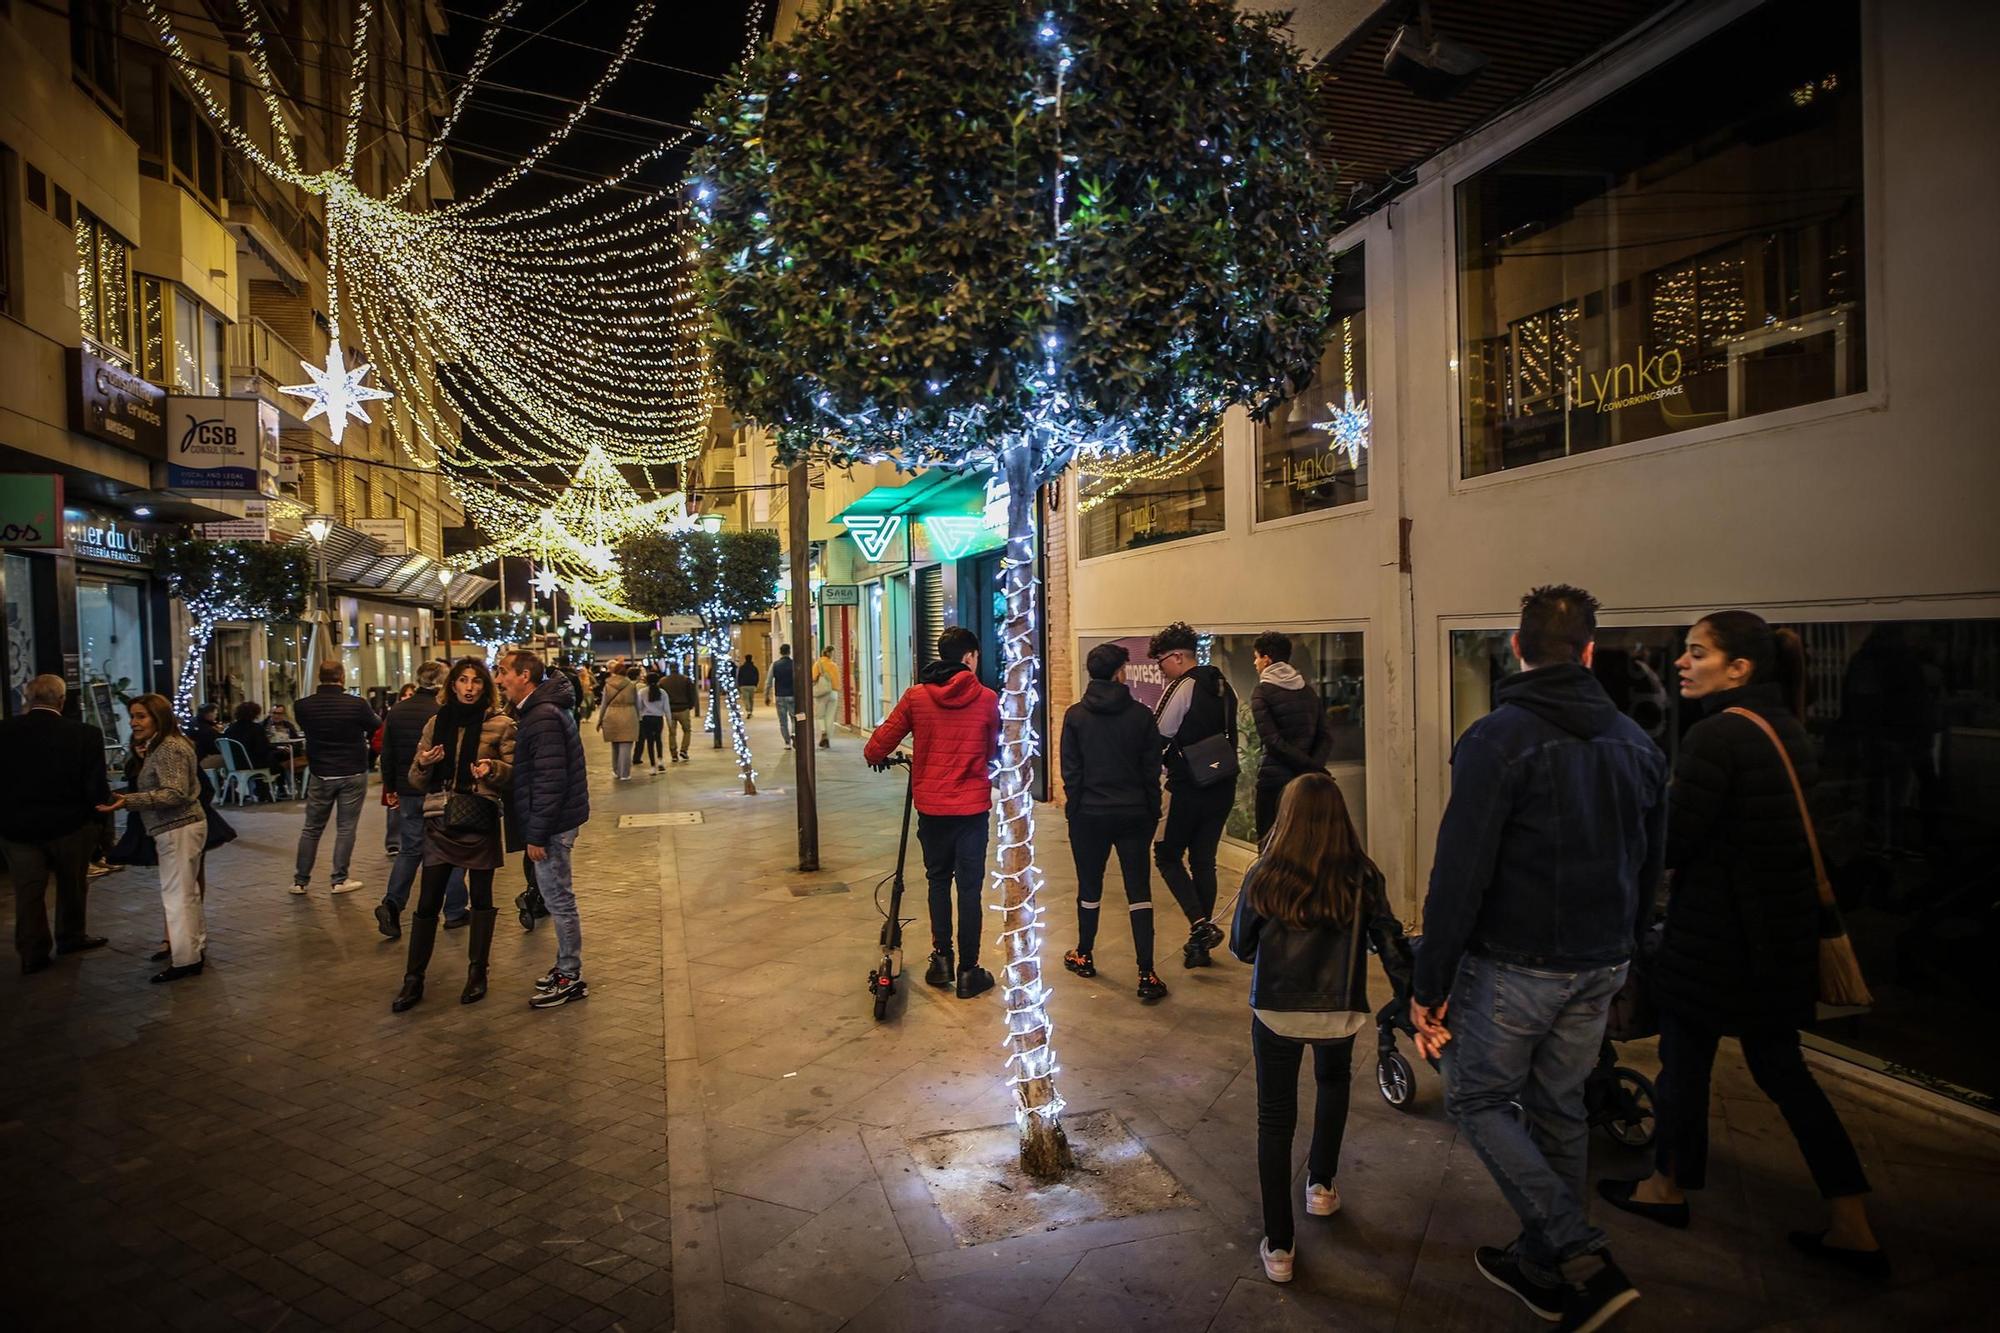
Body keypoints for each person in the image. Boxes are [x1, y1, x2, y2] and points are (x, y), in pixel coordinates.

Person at [1597, 611, 1885, 1278]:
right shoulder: (1787, 727)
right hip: (1775, 941)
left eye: (1697, 653)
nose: (1681, 662)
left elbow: (1677, 843)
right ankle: (1852, 1217)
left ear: (1739, 668)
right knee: (1786, 1073)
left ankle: (1667, 1186)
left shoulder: (1716, 736)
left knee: (1683, 1066)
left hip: (1717, 940)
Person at [1409, 585, 1667, 1331]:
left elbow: (1460, 873)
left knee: (1477, 1098)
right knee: (1559, 1104)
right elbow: (1647, 864)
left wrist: (1430, 978)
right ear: (1588, 652)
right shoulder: (1639, 745)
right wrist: (1632, 952)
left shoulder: (1496, 739)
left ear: (1516, 648)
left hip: (1517, 964)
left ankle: (1578, 1252)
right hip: (1602, 962)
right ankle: (1539, 1259)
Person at [1230, 772, 1412, 1285]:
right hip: (1340, 1011)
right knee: (1332, 1086)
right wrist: (1413, 998)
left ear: (1286, 817)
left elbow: (1242, 947)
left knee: (1275, 1118)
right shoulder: (1362, 873)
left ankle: (1281, 1246)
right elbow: (1390, 941)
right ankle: (1322, 1186)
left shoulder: (1265, 873)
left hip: (1277, 1012)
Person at [864, 626, 1001, 999]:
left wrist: (881, 757)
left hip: (933, 809)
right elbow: (992, 750)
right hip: (972, 809)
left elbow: (877, 745)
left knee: (938, 881)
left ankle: (941, 961)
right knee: (970, 889)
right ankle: (970, 970)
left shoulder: (916, 697)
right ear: (970, 657)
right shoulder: (988, 699)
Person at [390, 659, 516, 1012]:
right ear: (452, 685)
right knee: (428, 899)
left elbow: (515, 773)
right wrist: (425, 763)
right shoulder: (435, 722)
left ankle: (478, 972)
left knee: (481, 896)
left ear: (486, 687)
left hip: (479, 818)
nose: (469, 687)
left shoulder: (501, 724)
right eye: (463, 680)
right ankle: (413, 978)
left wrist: (492, 769)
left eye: (476, 681)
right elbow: (415, 780)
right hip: (440, 819)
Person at [1058, 642, 1167, 1001]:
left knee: (1089, 887)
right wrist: (1152, 810)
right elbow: (1151, 771)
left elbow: (1071, 772)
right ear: (1120, 672)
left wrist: (1075, 808)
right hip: (1135, 813)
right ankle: (1146, 972)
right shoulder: (1141, 716)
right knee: (1139, 891)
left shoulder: (1075, 716)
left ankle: (1084, 953)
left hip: (1089, 815)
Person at [495, 649, 592, 1008]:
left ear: (524, 676)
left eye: (504, 672)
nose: (499, 679)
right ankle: (565, 966)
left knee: (559, 900)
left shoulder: (543, 716)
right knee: (557, 898)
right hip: (557, 820)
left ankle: (570, 975)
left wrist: (536, 835)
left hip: (554, 824)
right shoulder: (543, 710)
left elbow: (550, 780)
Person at [1, 674, 111, 974]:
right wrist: (100, 824)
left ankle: (32, 951)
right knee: (72, 884)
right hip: (71, 824)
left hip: (18, 827)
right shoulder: (85, 734)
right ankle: (71, 936)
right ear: (62, 701)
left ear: (27, 699)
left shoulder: (4, 731)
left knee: (28, 890)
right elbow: (95, 785)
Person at [97, 694, 208, 983]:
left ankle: (185, 959)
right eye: (133, 716)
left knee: (177, 894)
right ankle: (193, 950)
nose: (134, 722)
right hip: (179, 826)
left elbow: (174, 793)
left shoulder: (169, 747)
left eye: (141, 716)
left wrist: (129, 801)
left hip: (177, 826)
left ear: (158, 717)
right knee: (186, 892)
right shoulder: (163, 745)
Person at [1148, 622, 1238, 969]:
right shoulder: (1222, 685)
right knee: (1203, 860)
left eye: (1160, 663)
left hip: (1188, 786)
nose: (1160, 671)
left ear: (1176, 657)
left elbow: (1160, 733)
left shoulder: (1183, 686)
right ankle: (1199, 945)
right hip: (1223, 783)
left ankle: (1200, 925)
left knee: (1166, 854)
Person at [375, 661, 470, 939]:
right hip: (438, 790)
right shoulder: (445, 712)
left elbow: (388, 752)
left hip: (408, 790)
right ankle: (454, 910)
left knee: (410, 849)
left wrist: (391, 786)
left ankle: (392, 904)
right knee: (452, 849)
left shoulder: (398, 710)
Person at [288, 662, 378, 896]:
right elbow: (376, 727)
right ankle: (339, 879)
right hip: (353, 770)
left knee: (312, 828)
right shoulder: (357, 705)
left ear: (320, 676)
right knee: (346, 828)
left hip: (320, 772)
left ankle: (300, 880)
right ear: (342, 676)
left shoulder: (302, 706)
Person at [1249, 631, 1332, 843]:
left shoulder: (1262, 691)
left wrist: (1309, 766)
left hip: (1274, 780)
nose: (1254, 662)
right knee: (1303, 842)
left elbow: (1273, 741)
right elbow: (1325, 736)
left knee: (1269, 843)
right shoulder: (1308, 691)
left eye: (1257, 656)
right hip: (1306, 782)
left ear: (1267, 659)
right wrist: (1314, 767)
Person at [223, 701, 300, 798]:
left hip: (233, 763)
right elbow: (262, 749)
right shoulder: (256, 728)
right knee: (277, 763)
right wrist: (277, 749)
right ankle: (269, 790)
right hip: (252, 763)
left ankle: (264, 790)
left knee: (271, 758)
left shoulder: (230, 728)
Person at [595, 661, 640, 780]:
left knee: (615, 745)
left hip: (611, 714)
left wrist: (600, 720)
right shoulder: (631, 685)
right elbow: (637, 703)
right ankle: (624, 773)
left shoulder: (607, 685)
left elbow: (604, 703)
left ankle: (616, 770)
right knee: (626, 745)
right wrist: (639, 717)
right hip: (629, 714)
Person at [662, 661, 697, 762]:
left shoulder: (663, 681)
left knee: (672, 733)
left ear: (669, 668)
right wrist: (690, 706)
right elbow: (692, 694)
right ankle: (684, 750)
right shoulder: (686, 679)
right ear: (678, 668)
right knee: (687, 731)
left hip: (670, 710)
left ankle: (673, 754)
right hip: (683, 708)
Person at [637, 671, 670, 772]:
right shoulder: (662, 692)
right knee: (658, 739)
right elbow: (667, 708)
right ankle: (660, 760)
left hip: (646, 719)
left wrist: (639, 718)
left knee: (650, 742)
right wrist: (669, 721)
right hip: (658, 718)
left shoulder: (642, 692)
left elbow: (638, 707)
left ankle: (652, 766)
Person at [768, 644, 797, 749]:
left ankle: (787, 743)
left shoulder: (775, 665)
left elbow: (769, 681)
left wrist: (767, 695)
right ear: (789, 652)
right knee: (794, 718)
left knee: (783, 721)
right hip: (793, 695)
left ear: (780, 652)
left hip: (780, 696)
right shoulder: (794, 664)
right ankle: (794, 734)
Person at [812, 645, 840, 748]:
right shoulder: (834, 665)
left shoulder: (817, 664)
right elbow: (837, 681)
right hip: (833, 693)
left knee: (820, 715)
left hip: (822, 693)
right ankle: (827, 737)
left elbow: (813, 678)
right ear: (831, 654)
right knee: (830, 716)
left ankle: (823, 733)